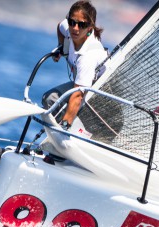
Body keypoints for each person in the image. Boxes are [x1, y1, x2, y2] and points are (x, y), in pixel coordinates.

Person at [42, 0, 108, 131]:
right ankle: (61, 132)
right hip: (83, 85)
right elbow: (60, 26)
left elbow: (77, 96)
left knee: (58, 103)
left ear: (90, 27)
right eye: (72, 22)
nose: (75, 28)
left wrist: (64, 127)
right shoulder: (68, 29)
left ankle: (66, 130)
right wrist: (61, 47)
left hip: (102, 94)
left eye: (81, 25)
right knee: (49, 99)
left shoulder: (88, 55)